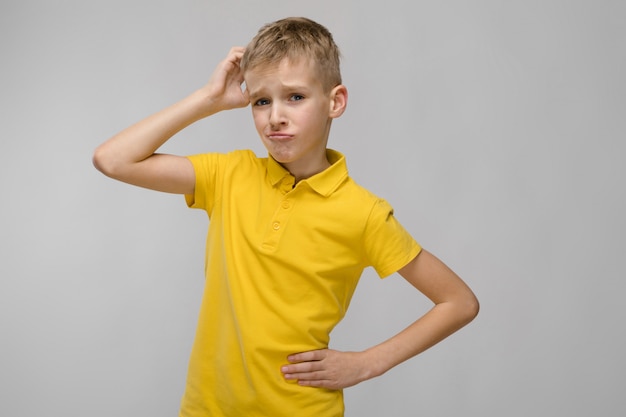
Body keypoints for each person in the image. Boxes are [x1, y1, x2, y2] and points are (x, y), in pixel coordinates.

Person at [93, 16, 479, 417]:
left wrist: (368, 363)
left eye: (294, 97)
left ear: (335, 101)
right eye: (262, 100)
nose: (275, 115)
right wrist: (209, 98)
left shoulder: (363, 213)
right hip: (207, 409)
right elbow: (113, 159)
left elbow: (458, 302)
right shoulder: (229, 175)